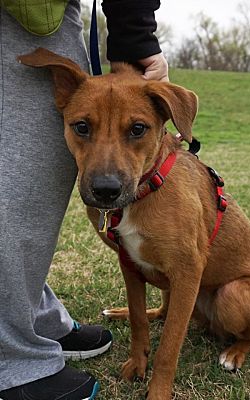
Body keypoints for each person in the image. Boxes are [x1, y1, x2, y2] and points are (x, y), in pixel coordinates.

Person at [0, 1, 168, 399]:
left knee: (34, 183)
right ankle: (9, 357)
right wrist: (136, 32)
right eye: (83, 128)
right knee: (15, 183)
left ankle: (32, 319)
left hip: (52, 13)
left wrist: (132, 32)